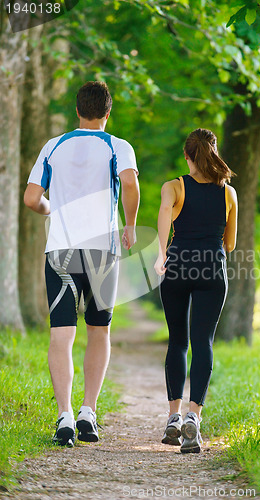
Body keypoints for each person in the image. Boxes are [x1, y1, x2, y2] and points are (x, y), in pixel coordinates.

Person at [24, 81, 140, 447]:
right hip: (101, 253)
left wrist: (50, 209)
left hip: (59, 252)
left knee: (61, 333)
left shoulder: (52, 146)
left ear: (77, 111)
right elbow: (130, 185)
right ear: (108, 113)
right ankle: (89, 410)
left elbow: (31, 198)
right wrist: (132, 225)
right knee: (98, 330)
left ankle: (65, 416)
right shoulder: (118, 146)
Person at [154, 128, 237, 454]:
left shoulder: (173, 187)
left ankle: (173, 417)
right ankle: (193, 417)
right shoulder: (229, 193)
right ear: (213, 153)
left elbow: (164, 217)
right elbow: (229, 244)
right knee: (203, 342)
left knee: (178, 340)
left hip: (177, 267)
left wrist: (162, 255)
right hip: (212, 269)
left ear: (187, 156)